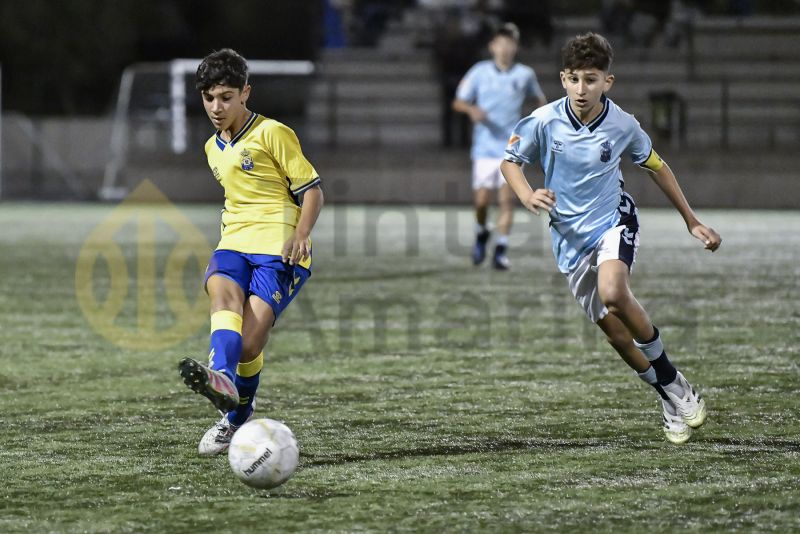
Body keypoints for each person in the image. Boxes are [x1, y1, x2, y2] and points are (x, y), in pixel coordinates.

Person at [500, 33, 721, 443]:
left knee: (615, 292)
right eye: (573, 79)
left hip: (612, 221)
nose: (582, 89)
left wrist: (691, 220)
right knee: (617, 334)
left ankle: (675, 382)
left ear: (608, 81)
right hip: (568, 239)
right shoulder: (544, 120)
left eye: (591, 79)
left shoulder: (622, 124)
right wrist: (527, 192)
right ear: (562, 79)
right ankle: (667, 396)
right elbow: (510, 163)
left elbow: (657, 166)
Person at [178, 48, 324, 456]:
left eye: (225, 97)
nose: (216, 107)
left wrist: (301, 232)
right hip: (233, 244)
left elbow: (311, 190)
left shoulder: (273, 133)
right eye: (209, 98)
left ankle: (237, 414)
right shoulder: (211, 147)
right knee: (222, 296)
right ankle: (219, 378)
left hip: (279, 250)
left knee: (249, 346)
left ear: (245, 93)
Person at [453, 22, 547, 270]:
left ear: (515, 47)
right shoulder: (479, 71)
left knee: (507, 201)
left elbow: (540, 101)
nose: (505, 49)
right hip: (484, 148)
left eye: (510, 44)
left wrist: (534, 122)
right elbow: (458, 102)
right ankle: (482, 231)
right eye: (501, 44)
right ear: (492, 46)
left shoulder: (524, 74)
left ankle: (501, 250)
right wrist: (471, 109)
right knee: (482, 202)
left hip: (511, 149)